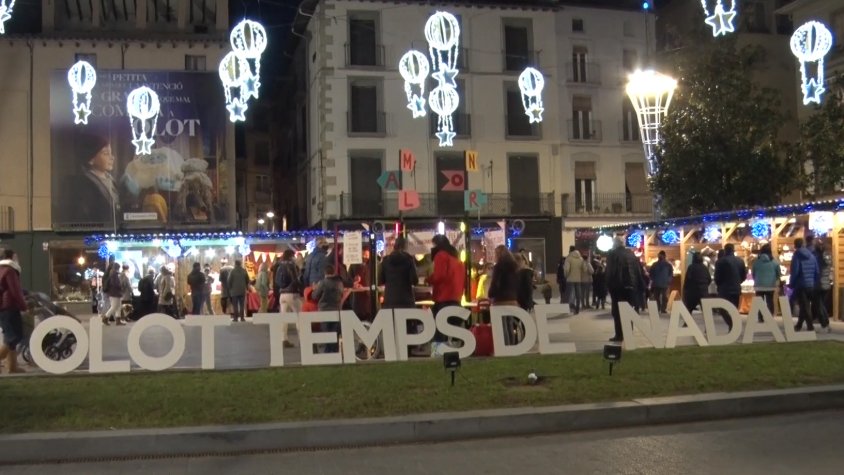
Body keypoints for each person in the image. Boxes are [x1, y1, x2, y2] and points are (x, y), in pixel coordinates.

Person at [59, 133, 120, 225]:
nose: (112, 157)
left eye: (111, 153)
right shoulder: (80, 185)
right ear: (91, 159)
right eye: (106, 153)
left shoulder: (113, 181)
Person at [426, 235, 466, 342]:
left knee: (439, 332)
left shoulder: (441, 255)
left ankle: (438, 349)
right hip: (456, 299)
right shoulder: (457, 258)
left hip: (443, 298)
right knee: (454, 332)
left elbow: (439, 276)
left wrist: (428, 279)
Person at [605, 237, 641, 342]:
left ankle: (619, 335)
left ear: (615, 244)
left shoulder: (612, 254)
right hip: (631, 286)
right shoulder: (631, 254)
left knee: (617, 312)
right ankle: (629, 333)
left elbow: (610, 271)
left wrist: (608, 285)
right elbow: (637, 271)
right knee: (629, 310)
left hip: (618, 286)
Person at [0, 249, 27, 373]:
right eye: (16, 257)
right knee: (14, 337)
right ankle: (11, 366)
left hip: (3, 308)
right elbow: (15, 291)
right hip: (9, 307)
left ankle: (12, 367)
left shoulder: (1, 269)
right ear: (11, 257)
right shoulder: (10, 270)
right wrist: (23, 306)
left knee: (9, 337)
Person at [487, 245, 520, 345]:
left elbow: (495, 283)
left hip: (501, 300)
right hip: (512, 300)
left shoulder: (498, 267)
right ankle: (512, 345)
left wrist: (490, 294)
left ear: (498, 255)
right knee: (509, 324)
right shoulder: (515, 267)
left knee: (502, 325)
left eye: (495, 254)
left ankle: (505, 346)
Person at [312, 264, 345, 353]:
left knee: (326, 332)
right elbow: (342, 294)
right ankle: (334, 351)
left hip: (324, 310)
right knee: (335, 332)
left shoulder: (323, 283)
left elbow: (315, 296)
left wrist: (314, 289)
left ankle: (328, 351)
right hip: (336, 309)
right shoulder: (339, 283)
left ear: (325, 273)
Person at [714, 243, 746, 331]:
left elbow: (717, 277)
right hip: (736, 288)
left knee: (722, 308)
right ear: (733, 250)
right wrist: (738, 282)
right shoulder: (740, 261)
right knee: (734, 309)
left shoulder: (720, 262)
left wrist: (719, 285)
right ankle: (733, 327)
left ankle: (731, 325)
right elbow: (744, 275)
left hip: (724, 289)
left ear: (725, 250)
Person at [380, 236, 418, 310]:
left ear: (394, 246)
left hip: (389, 300)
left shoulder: (386, 260)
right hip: (406, 300)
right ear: (405, 247)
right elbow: (414, 280)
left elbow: (381, 280)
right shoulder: (409, 259)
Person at [790, 238, 819, 332]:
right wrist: (814, 282)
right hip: (811, 284)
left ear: (795, 245)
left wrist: (791, 283)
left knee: (805, 306)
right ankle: (799, 325)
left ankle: (810, 326)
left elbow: (795, 271)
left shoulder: (797, 256)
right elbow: (817, 271)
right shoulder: (812, 256)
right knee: (804, 306)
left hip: (801, 284)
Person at [276, 249, 301, 348]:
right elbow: (295, 280)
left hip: (282, 294)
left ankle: (284, 339)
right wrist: (300, 287)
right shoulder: (292, 265)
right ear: (291, 256)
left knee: (283, 318)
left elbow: (276, 281)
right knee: (299, 317)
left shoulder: (279, 266)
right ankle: (302, 339)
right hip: (292, 293)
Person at [806, 236, 831, 333]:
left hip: (817, 284)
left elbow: (815, 270)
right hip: (826, 283)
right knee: (821, 304)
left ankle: (824, 324)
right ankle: (826, 323)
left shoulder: (815, 257)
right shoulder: (827, 256)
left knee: (818, 305)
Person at [751, 244, 780, 321]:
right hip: (770, 285)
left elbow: (753, 273)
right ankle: (770, 318)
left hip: (758, 285)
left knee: (759, 302)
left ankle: (760, 317)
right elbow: (778, 274)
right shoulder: (775, 262)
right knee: (770, 301)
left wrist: (756, 279)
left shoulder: (756, 262)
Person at [563, 246, 585, 314]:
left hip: (570, 279)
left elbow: (566, 269)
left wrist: (566, 276)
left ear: (570, 250)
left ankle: (569, 308)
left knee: (569, 294)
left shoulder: (568, 258)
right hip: (578, 279)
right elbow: (584, 269)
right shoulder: (581, 259)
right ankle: (577, 308)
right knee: (578, 294)